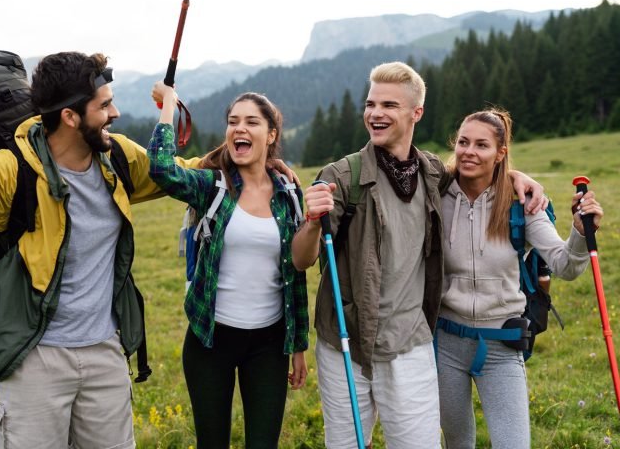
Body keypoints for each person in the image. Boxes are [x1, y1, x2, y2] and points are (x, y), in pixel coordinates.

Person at [0, 52, 200, 448]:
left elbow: (178, 174)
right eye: (103, 105)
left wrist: (247, 165)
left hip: (105, 353)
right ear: (70, 116)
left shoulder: (115, 158)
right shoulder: (9, 171)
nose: (115, 112)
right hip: (35, 361)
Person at [291, 62, 547, 449]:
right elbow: (301, 259)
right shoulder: (341, 176)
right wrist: (312, 222)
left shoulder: (429, 172)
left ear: (416, 113)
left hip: (410, 343)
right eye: (371, 103)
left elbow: (472, 168)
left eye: (389, 105)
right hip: (345, 341)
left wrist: (515, 175)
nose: (376, 113)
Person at [147, 82, 309, 448]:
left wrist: (298, 343)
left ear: (271, 134)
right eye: (233, 121)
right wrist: (169, 106)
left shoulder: (288, 193)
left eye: (252, 122)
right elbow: (160, 169)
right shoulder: (213, 187)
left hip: (269, 344)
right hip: (210, 340)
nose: (240, 128)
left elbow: (294, 277)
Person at [435, 108, 603, 448]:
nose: (469, 151)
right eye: (464, 142)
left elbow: (565, 265)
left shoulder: (521, 204)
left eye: (482, 145)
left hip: (502, 344)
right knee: (457, 443)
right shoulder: (436, 192)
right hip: (445, 345)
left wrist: (581, 234)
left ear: (501, 154)